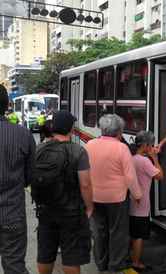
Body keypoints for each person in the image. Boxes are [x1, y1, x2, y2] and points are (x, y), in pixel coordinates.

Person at [34, 110, 94, 274]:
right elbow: (86, 184)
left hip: (45, 210)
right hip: (71, 212)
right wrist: (89, 207)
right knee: (71, 256)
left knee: (45, 253)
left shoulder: (39, 149)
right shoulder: (78, 151)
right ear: (71, 129)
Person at [85, 114, 142, 273]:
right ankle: (115, 265)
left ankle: (101, 264)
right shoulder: (122, 148)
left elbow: (83, 171)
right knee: (118, 233)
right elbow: (130, 177)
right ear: (119, 131)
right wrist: (137, 195)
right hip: (117, 199)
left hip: (94, 196)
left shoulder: (89, 145)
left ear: (102, 129)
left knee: (98, 232)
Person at [0, 84, 35, 274]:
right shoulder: (23, 134)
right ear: (7, 106)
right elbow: (30, 176)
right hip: (12, 215)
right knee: (14, 266)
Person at [130, 131, 164, 271]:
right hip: (141, 205)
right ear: (144, 145)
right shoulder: (144, 162)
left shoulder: (131, 157)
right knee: (139, 236)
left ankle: (131, 257)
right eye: (150, 144)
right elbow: (160, 176)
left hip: (130, 203)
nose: (151, 147)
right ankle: (136, 262)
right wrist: (155, 158)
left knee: (132, 233)